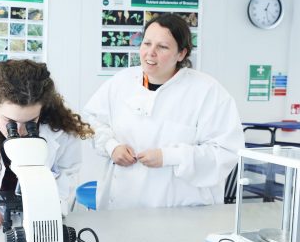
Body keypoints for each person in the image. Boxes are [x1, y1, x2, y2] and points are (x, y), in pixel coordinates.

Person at [84, 13, 244, 210]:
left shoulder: (207, 92)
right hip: (123, 208)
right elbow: (92, 122)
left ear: (181, 54)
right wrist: (111, 146)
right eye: (147, 43)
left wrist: (170, 157)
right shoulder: (120, 82)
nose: (150, 53)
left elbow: (226, 152)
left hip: (182, 211)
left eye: (162, 47)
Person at [0, 59, 94, 230]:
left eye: (30, 121)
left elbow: (68, 171)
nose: (19, 131)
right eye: (10, 122)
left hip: (41, 210)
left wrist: (52, 206)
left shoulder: (60, 125)